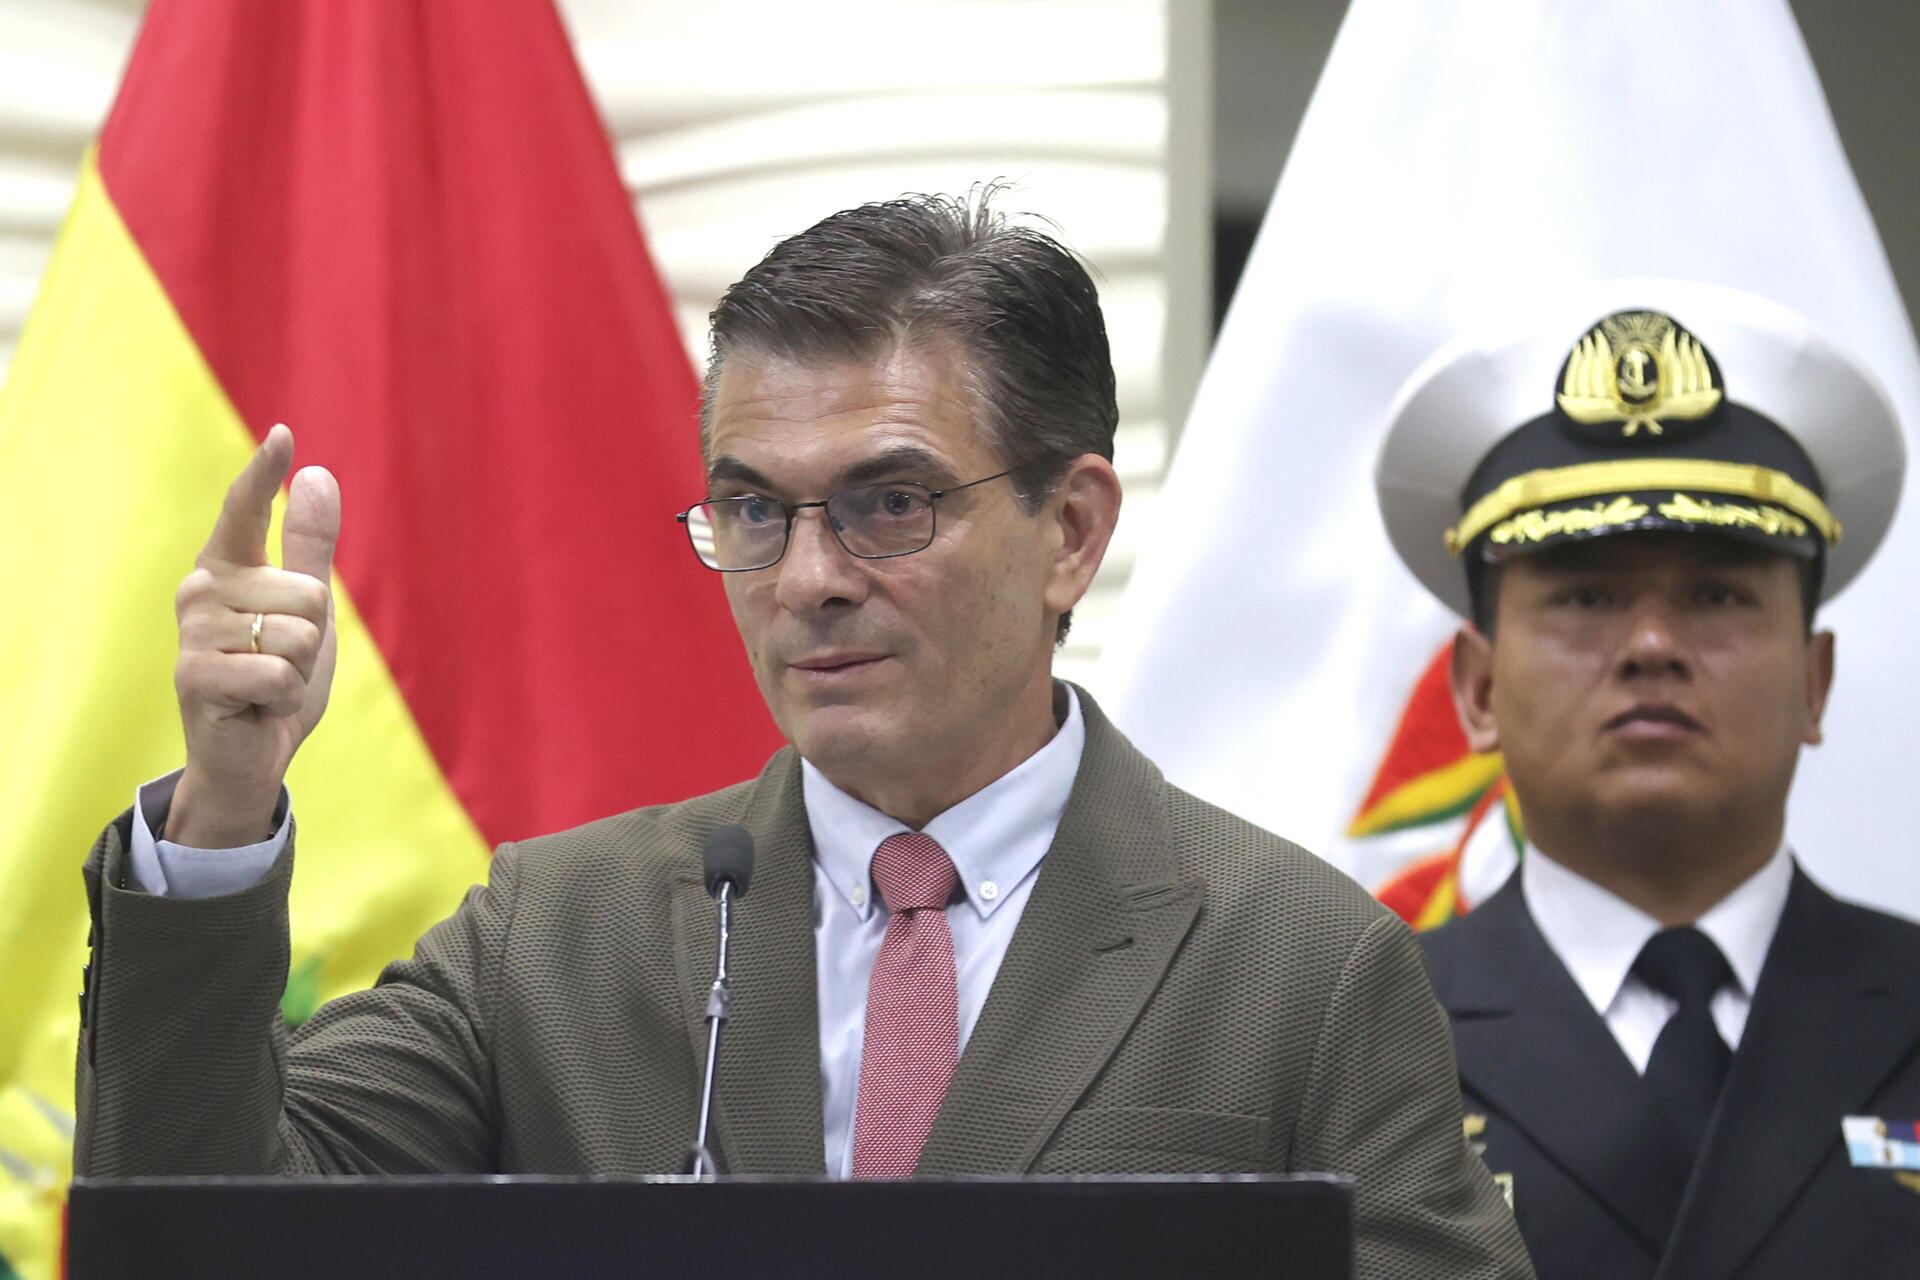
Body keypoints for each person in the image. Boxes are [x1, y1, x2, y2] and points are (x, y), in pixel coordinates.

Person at [74, 192, 1529, 1278]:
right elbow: (199, 1232)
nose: (811, 579)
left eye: (891, 503)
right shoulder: (563, 936)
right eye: (756, 510)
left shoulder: (1298, 965)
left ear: (1071, 532)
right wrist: (221, 805)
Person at [1375, 285, 1920, 1279]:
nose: (1655, 645)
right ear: (1479, 686)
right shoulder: (1353, 1038)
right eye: (1587, 594)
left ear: (1814, 679)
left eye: (1717, 593)